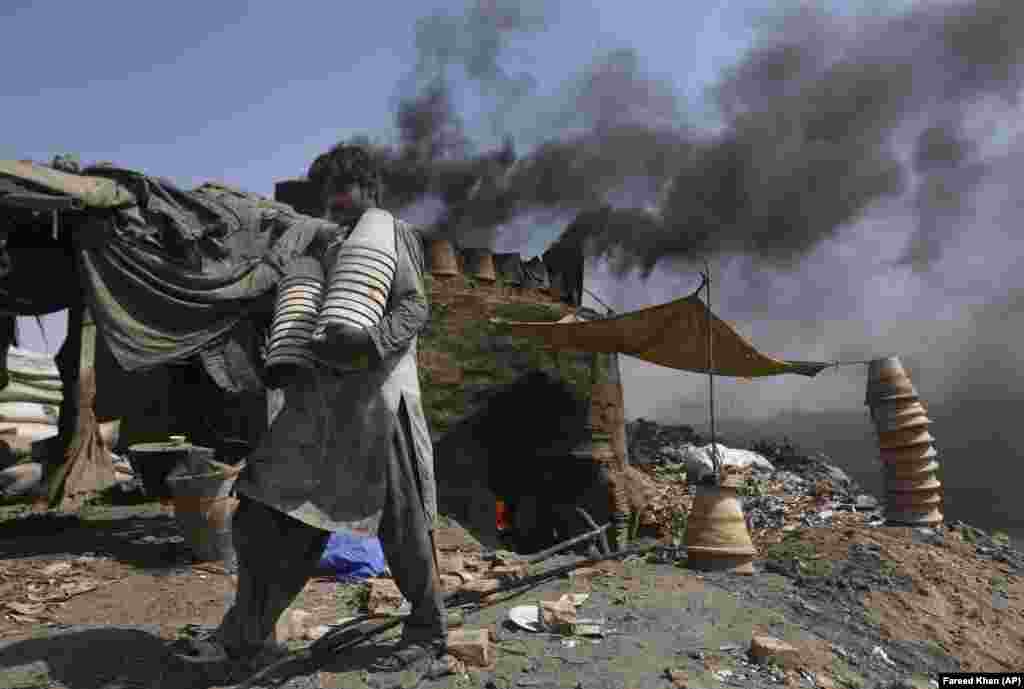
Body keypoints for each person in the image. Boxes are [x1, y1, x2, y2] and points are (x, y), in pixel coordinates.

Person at [174, 144, 446, 678]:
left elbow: (416, 306)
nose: (335, 201)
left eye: (343, 189)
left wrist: (368, 342)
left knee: (404, 524)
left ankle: (429, 629)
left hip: (380, 403)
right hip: (319, 409)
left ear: (368, 189)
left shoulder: (392, 236)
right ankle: (246, 634)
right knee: (278, 514)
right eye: (328, 193)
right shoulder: (325, 245)